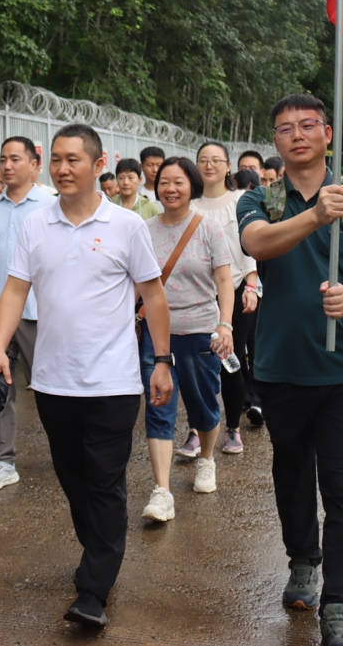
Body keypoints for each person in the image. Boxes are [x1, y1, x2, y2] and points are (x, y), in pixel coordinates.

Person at [0, 123, 173, 629]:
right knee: (73, 479)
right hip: (52, 381)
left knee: (105, 482)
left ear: (97, 166)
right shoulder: (34, 226)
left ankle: (94, 588)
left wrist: (162, 360)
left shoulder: (126, 226)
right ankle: (99, 555)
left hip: (111, 382)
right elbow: (13, 291)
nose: (63, 168)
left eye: (74, 160)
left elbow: (153, 295)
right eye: (57, 159)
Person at [238, 93, 343, 646]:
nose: (297, 134)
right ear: (275, 141)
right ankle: (303, 556)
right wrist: (313, 215)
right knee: (292, 470)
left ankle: (339, 610)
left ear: (328, 133)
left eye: (308, 125)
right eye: (285, 128)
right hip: (281, 369)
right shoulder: (260, 199)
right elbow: (258, 244)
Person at [139, 157, 235, 522]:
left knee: (203, 405)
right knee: (158, 406)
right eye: (164, 182)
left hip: (199, 331)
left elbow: (224, 280)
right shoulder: (143, 230)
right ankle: (161, 491)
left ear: (191, 185)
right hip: (156, 333)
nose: (170, 189)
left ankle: (207, 459)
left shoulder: (209, 229)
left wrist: (225, 325)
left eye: (178, 182)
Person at [0, 137, 56, 491]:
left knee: (53, 386)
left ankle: (70, 450)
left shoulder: (52, 206)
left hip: (41, 309)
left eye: (15, 159)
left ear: (35, 165)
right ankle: (2, 460)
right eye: (3, 159)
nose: (7, 166)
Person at [187, 141, 260, 457]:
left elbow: (249, 246)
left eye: (216, 160)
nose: (209, 165)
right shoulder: (190, 206)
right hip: (199, 294)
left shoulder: (241, 201)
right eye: (203, 160)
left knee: (230, 359)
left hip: (236, 287)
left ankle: (233, 429)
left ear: (229, 166)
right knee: (196, 362)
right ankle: (195, 430)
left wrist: (252, 284)